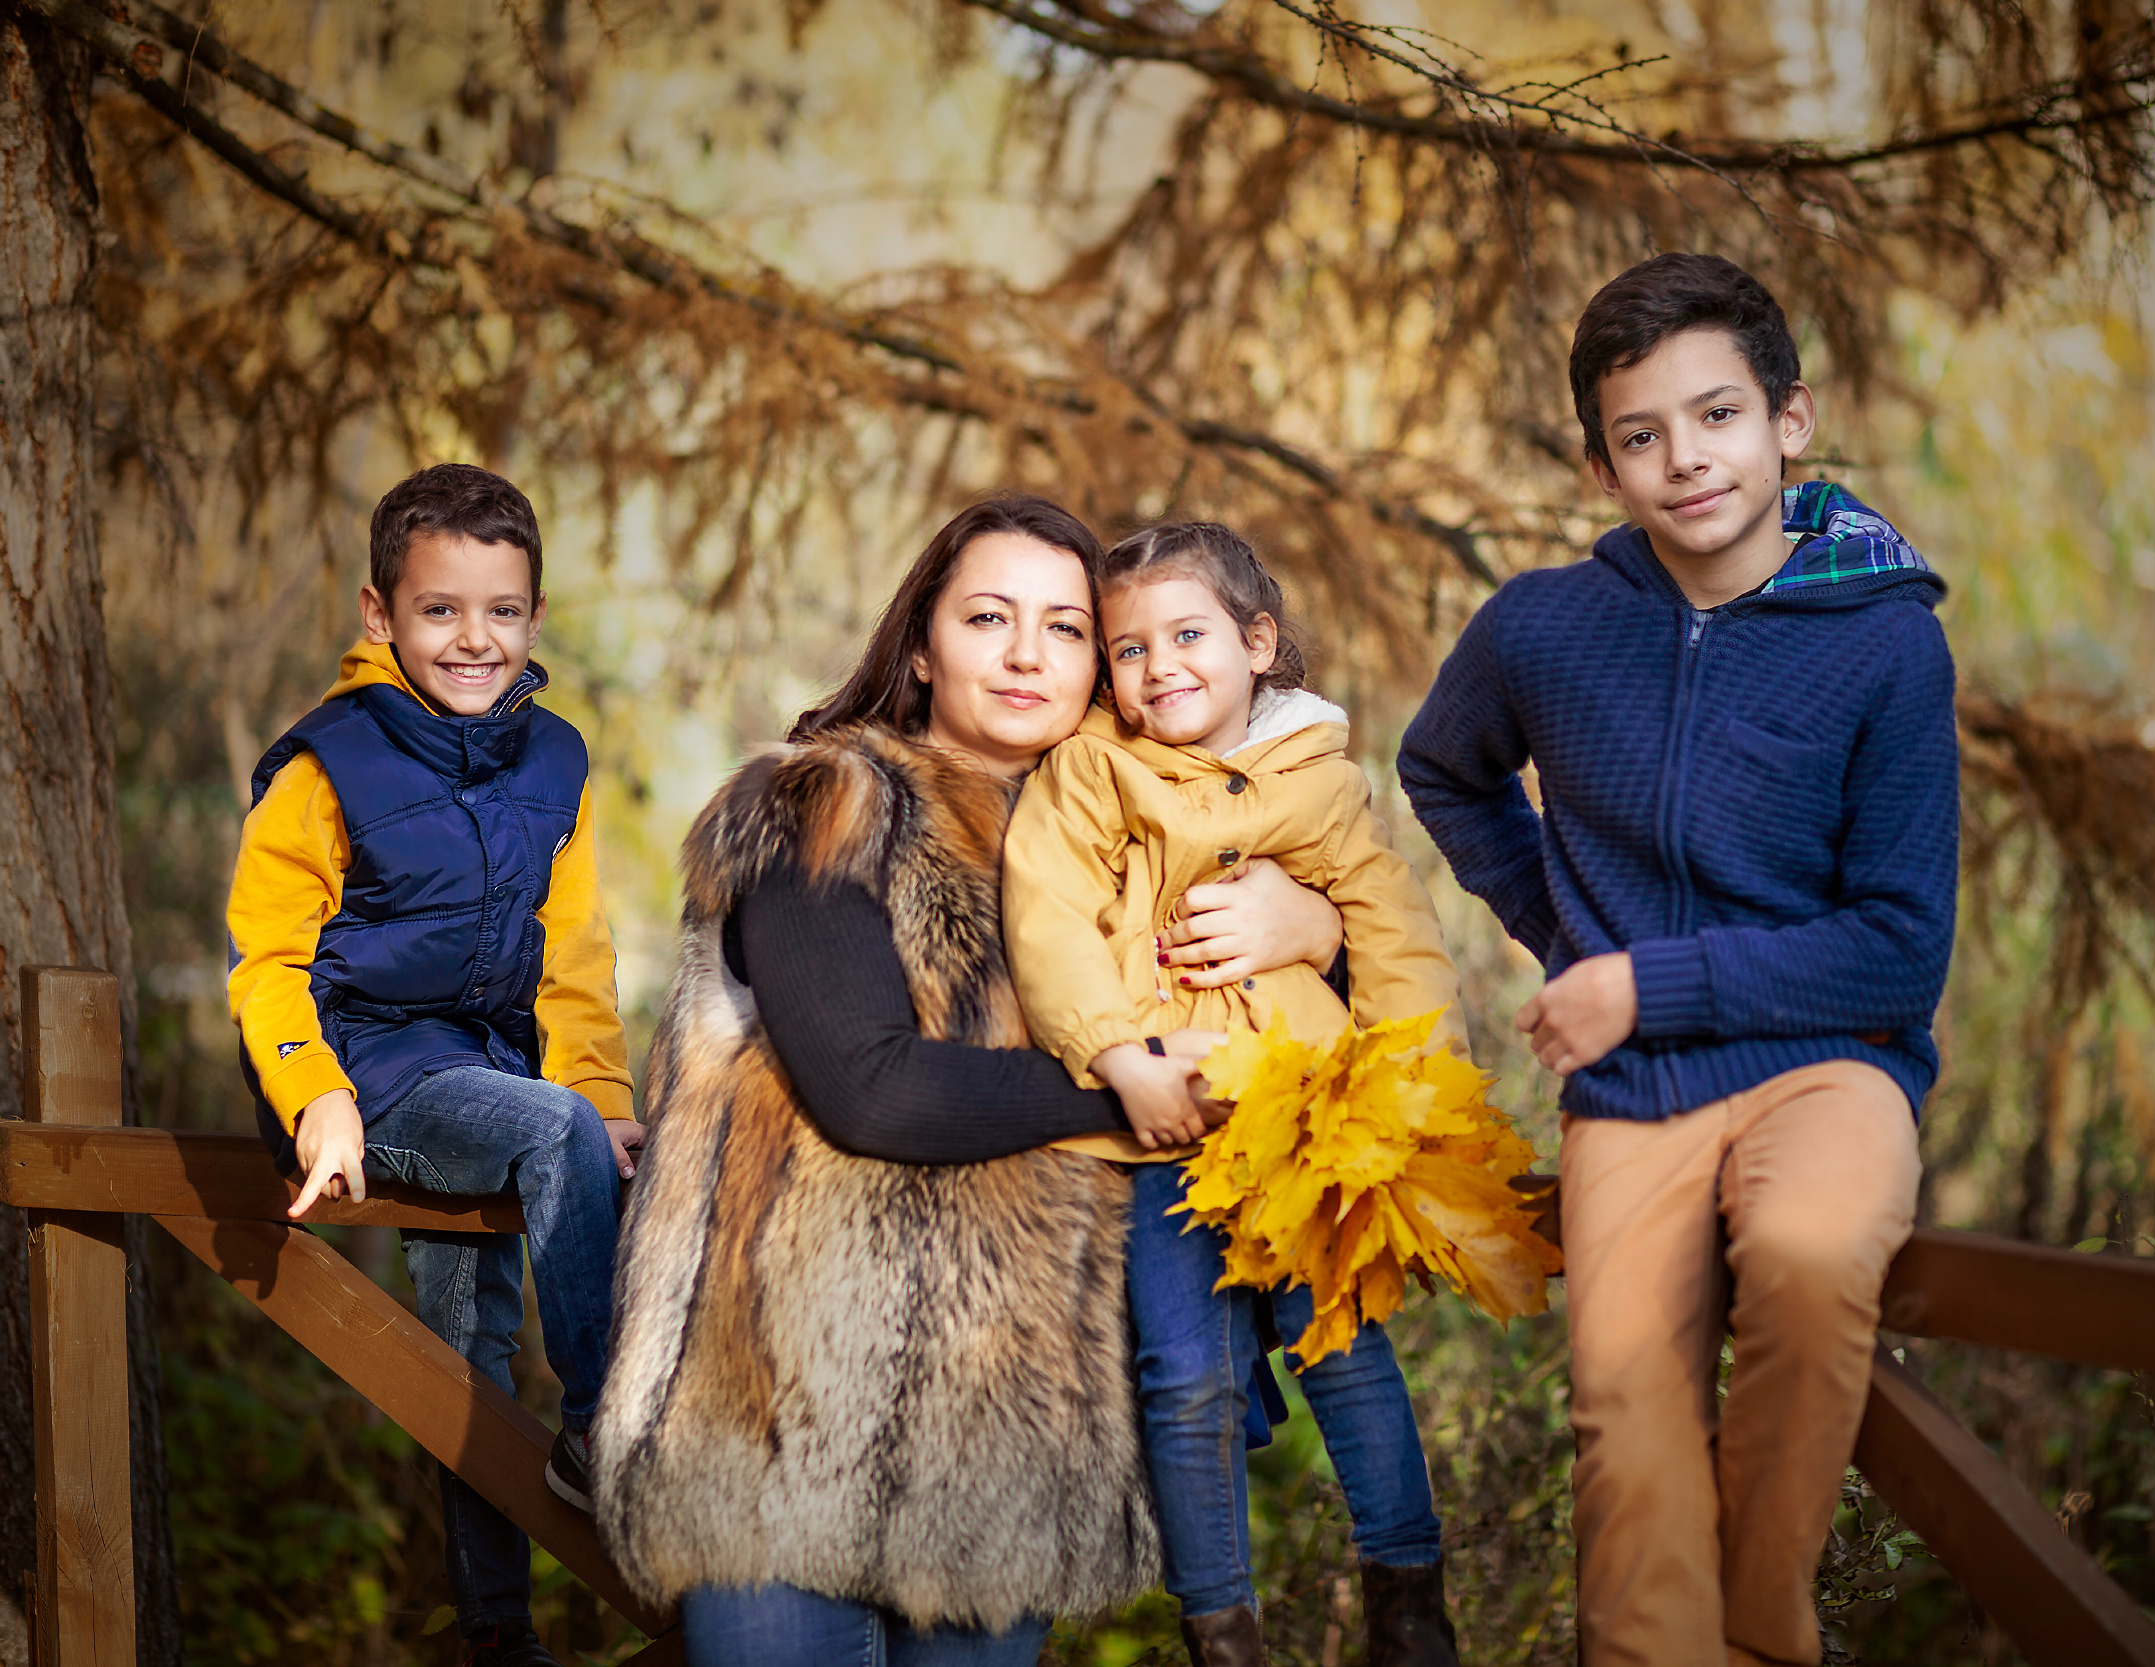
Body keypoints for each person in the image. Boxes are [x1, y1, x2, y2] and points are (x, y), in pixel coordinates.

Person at [591, 496, 1347, 1667]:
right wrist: (1124, 1089)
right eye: (988, 616)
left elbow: (1291, 1025)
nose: (1025, 653)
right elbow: (871, 1089)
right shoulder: (827, 804)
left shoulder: (1141, 848)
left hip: (1015, 1457)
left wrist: (1308, 926)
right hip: (786, 1430)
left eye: (1066, 627)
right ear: (920, 646)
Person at [1397, 253, 1960, 1667]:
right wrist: (1567, 927)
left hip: (1829, 1066)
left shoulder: (1887, 644)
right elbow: (1442, 768)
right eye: (1640, 435)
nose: (1683, 459)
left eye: (1715, 416)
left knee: (1813, 1249)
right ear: (1601, 466)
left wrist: (1647, 980)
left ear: (1790, 421)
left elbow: (1898, 948)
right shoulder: (1543, 625)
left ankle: (1766, 1626)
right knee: (1625, 1415)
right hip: (1635, 1094)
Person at [1002, 521, 1465, 1667]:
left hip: (1308, 1111)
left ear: (1258, 642)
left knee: (1345, 1344)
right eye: (1128, 648)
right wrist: (1116, 1055)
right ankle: (1221, 1626)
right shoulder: (1092, 772)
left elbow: (1395, 928)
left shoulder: (1318, 778)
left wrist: (1416, 1092)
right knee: (1184, 1370)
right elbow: (1048, 918)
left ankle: (1408, 1598)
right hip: (1165, 1119)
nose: (1159, 668)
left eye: (1189, 634)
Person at [226, 463, 640, 1667]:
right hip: (371, 1076)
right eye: (440, 609)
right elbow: (267, 959)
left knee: (464, 1348)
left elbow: (574, 954)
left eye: (501, 610)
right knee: (550, 1134)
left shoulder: (555, 758)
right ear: (378, 614)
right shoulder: (325, 764)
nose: (474, 638)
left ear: (534, 616)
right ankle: (603, 1425)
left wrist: (604, 1100)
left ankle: (495, 1628)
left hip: (496, 1074)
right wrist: (318, 1098)